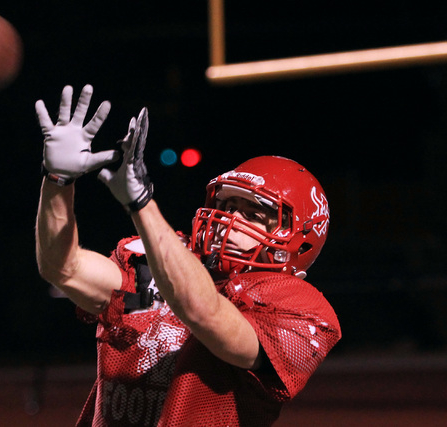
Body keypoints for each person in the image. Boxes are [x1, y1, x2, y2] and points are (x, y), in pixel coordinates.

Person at [34, 84, 341, 426]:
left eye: (252, 213)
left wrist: (141, 204)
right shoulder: (157, 260)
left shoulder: (300, 307)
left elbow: (205, 313)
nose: (229, 220)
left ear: (300, 238)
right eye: (226, 205)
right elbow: (62, 267)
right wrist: (58, 181)